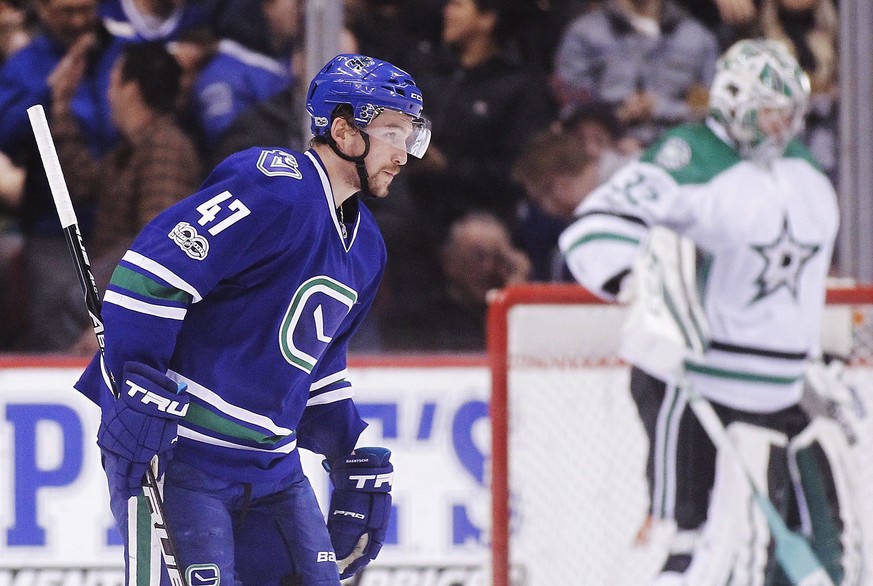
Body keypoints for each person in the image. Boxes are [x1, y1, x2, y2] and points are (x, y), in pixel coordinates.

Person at [73, 53, 431, 584]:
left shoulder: (367, 250)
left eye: (412, 136)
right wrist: (134, 384)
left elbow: (320, 364)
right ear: (344, 130)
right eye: (394, 133)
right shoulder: (273, 186)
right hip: (184, 456)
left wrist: (346, 453)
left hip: (275, 471)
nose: (405, 154)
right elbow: (151, 276)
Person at [559, 40, 842, 583]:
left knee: (783, 543)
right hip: (692, 385)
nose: (783, 124)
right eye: (769, 110)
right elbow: (597, 223)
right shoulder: (690, 156)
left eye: (789, 111)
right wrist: (639, 282)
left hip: (780, 390)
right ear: (734, 103)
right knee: (684, 536)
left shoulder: (804, 170)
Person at [49, 40, 202, 352]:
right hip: (114, 299)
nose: (108, 95)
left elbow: (161, 250)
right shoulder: (132, 149)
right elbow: (82, 184)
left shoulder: (165, 148)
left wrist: (115, 322)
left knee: (70, 295)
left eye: (112, 83)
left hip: (125, 312)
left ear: (130, 89)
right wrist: (61, 108)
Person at [0, 0, 122, 351]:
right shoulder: (25, 66)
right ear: (42, 9)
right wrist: (48, 91)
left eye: (86, 9)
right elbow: (6, 135)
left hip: (119, 227)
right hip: (55, 229)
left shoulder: (120, 53)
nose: (79, 21)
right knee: (59, 333)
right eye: (67, 11)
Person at [552, 0, 720, 148]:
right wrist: (617, 117)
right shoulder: (584, 32)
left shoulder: (697, 37)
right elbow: (571, 108)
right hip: (606, 152)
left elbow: (709, 111)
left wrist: (658, 107)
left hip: (677, 149)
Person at [381, 211, 530, 351]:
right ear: (449, 260)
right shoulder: (418, 322)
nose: (488, 268)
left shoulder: (513, 316)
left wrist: (517, 296)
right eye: (478, 256)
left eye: (497, 257)